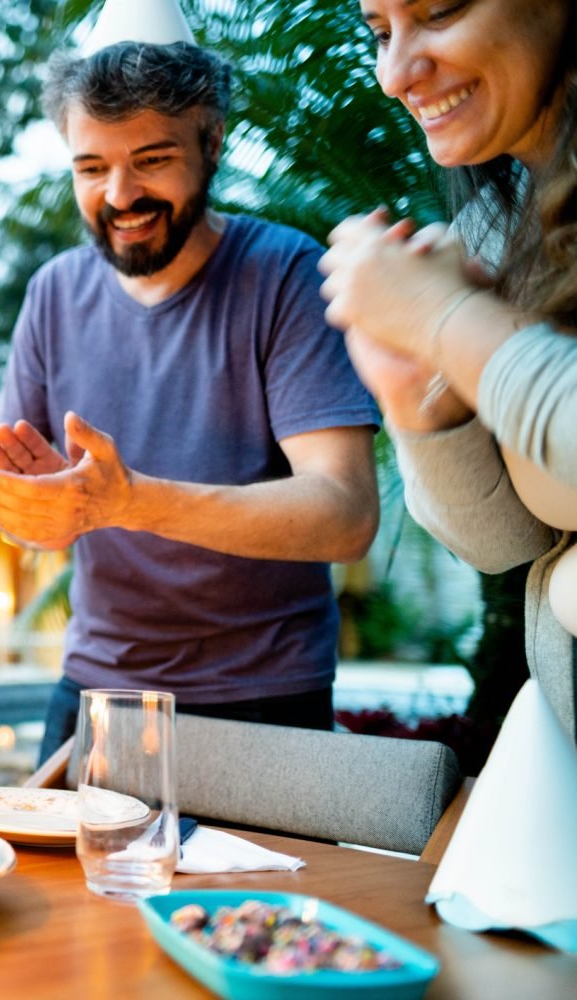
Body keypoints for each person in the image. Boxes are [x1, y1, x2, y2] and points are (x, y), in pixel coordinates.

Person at [0, 3, 381, 766]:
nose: (119, 195)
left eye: (151, 159)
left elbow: (346, 513)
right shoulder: (53, 294)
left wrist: (129, 501)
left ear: (212, 141)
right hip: (96, 693)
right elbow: (23, 511)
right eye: (91, 168)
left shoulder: (283, 274)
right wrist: (40, 510)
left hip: (267, 701)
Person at [320, 0, 577, 739]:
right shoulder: (494, 226)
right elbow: (504, 542)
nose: (395, 72)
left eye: (438, 11)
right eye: (380, 32)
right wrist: (417, 400)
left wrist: (445, 321)